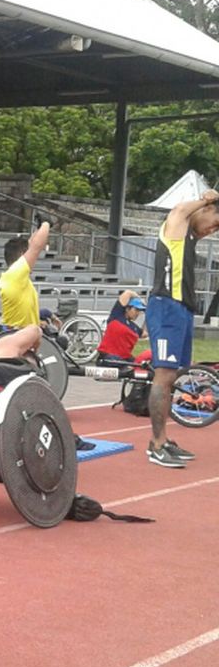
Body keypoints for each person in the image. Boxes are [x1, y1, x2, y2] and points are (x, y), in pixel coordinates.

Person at [145, 188, 219, 468]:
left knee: (173, 375)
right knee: (163, 375)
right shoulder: (177, 225)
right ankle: (155, 444)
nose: (212, 230)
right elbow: (179, 210)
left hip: (182, 311)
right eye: (214, 222)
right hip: (166, 307)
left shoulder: (189, 238)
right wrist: (206, 199)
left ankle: (163, 440)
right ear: (205, 210)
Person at [0, 221, 50, 331]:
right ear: (22, 255)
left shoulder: (18, 278)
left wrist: (39, 227)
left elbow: (30, 244)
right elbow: (35, 248)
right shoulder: (15, 274)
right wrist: (46, 224)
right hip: (18, 337)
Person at [96, 290, 148, 365]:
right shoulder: (116, 316)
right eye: (136, 310)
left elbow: (145, 334)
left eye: (140, 311)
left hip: (124, 359)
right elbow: (127, 293)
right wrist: (139, 298)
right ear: (127, 309)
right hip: (108, 358)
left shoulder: (134, 327)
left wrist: (148, 316)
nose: (138, 313)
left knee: (143, 365)